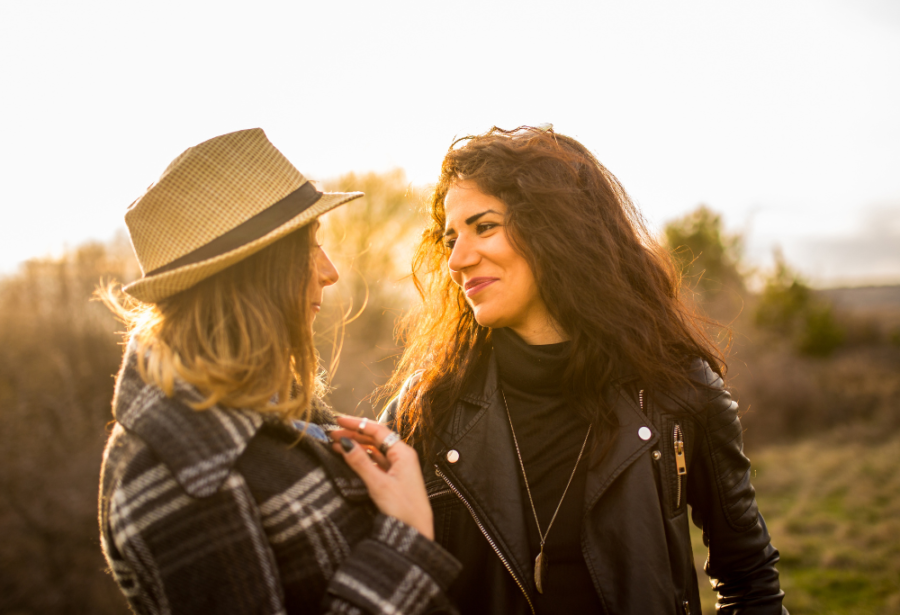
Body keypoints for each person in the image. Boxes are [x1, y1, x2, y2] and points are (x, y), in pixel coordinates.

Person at [380, 126, 788, 614]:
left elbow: (750, 583)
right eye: (451, 238)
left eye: (484, 227)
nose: (458, 259)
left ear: (556, 228)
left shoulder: (678, 393)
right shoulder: (426, 407)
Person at [98, 128, 461, 614]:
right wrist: (406, 543)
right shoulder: (178, 475)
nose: (330, 271)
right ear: (255, 273)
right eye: (311, 246)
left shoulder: (265, 412)